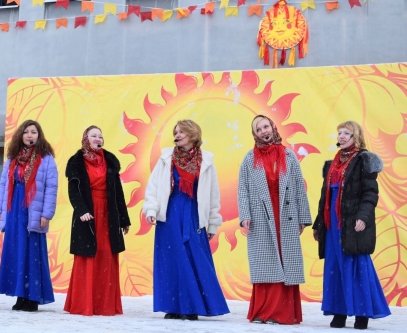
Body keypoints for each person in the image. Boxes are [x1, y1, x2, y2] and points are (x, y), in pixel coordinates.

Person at [143, 120, 230, 321]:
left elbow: (213, 195)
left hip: (193, 214)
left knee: (193, 257)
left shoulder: (206, 161)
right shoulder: (166, 158)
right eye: (176, 132)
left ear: (193, 134)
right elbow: (154, 186)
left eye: (182, 131)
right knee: (171, 259)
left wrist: (213, 222)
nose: (177, 135)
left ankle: (191, 307)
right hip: (169, 214)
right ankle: (172, 306)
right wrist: (151, 209)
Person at [312, 121, 391, 330]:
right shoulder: (332, 164)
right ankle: (339, 312)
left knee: (355, 266)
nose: (342, 136)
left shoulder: (363, 160)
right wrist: (319, 224)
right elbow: (325, 198)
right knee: (335, 267)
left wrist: (363, 217)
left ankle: (362, 313)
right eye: (340, 133)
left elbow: (370, 193)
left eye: (347, 133)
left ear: (357, 137)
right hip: (332, 224)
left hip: (352, 222)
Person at [237, 115, 312, 325]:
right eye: (259, 129)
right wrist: (245, 215)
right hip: (261, 216)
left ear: (273, 127)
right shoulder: (249, 159)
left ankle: (281, 312)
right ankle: (263, 311)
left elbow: (299, 188)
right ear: (255, 134)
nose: (264, 131)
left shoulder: (288, 156)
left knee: (285, 260)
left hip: (285, 215)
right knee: (265, 263)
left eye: (265, 126)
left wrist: (303, 218)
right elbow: (242, 189)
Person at [64, 126, 131, 316]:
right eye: (93, 135)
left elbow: (118, 192)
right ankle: (84, 304)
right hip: (88, 213)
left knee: (107, 254)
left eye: (100, 136)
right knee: (87, 256)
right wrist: (82, 210)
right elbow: (74, 191)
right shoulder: (76, 162)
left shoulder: (110, 161)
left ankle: (104, 304)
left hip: (109, 214)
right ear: (85, 138)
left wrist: (124, 219)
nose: (97, 139)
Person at [0, 120, 58, 312]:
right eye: (26, 132)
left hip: (33, 210)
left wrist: (46, 213)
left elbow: (51, 188)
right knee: (17, 252)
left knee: (32, 253)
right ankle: (20, 295)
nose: (30, 135)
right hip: (14, 209)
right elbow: (3, 185)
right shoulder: (12, 158)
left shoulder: (46, 159)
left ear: (39, 136)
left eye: (34, 132)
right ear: (20, 135)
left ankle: (33, 297)